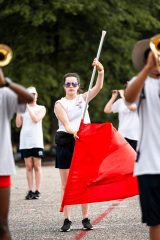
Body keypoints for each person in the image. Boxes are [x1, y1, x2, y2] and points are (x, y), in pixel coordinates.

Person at [54, 58, 104, 232]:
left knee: (84, 182)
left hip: (83, 142)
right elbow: (66, 124)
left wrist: (100, 71)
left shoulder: (83, 99)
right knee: (66, 184)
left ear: (78, 85)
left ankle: (85, 218)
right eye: (68, 84)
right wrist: (72, 131)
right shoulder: (60, 104)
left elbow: (98, 87)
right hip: (66, 142)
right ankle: (67, 219)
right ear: (64, 86)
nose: (71, 86)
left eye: (74, 83)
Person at [124, 35, 160, 240]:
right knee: (154, 222)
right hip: (148, 165)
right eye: (152, 57)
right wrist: (147, 70)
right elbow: (129, 96)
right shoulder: (141, 83)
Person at [0, 68, 34, 240]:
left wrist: (6, 82)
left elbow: (29, 98)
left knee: (2, 226)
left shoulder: (4, 92)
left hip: (1, 168)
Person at [16, 86, 46, 200]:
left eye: (34, 94)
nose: (32, 96)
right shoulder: (22, 109)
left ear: (36, 95)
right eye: (29, 94)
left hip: (37, 141)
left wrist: (27, 106)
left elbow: (36, 119)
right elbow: (18, 124)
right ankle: (30, 190)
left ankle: (37, 190)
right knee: (28, 166)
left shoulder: (41, 108)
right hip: (25, 141)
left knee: (37, 166)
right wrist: (19, 111)